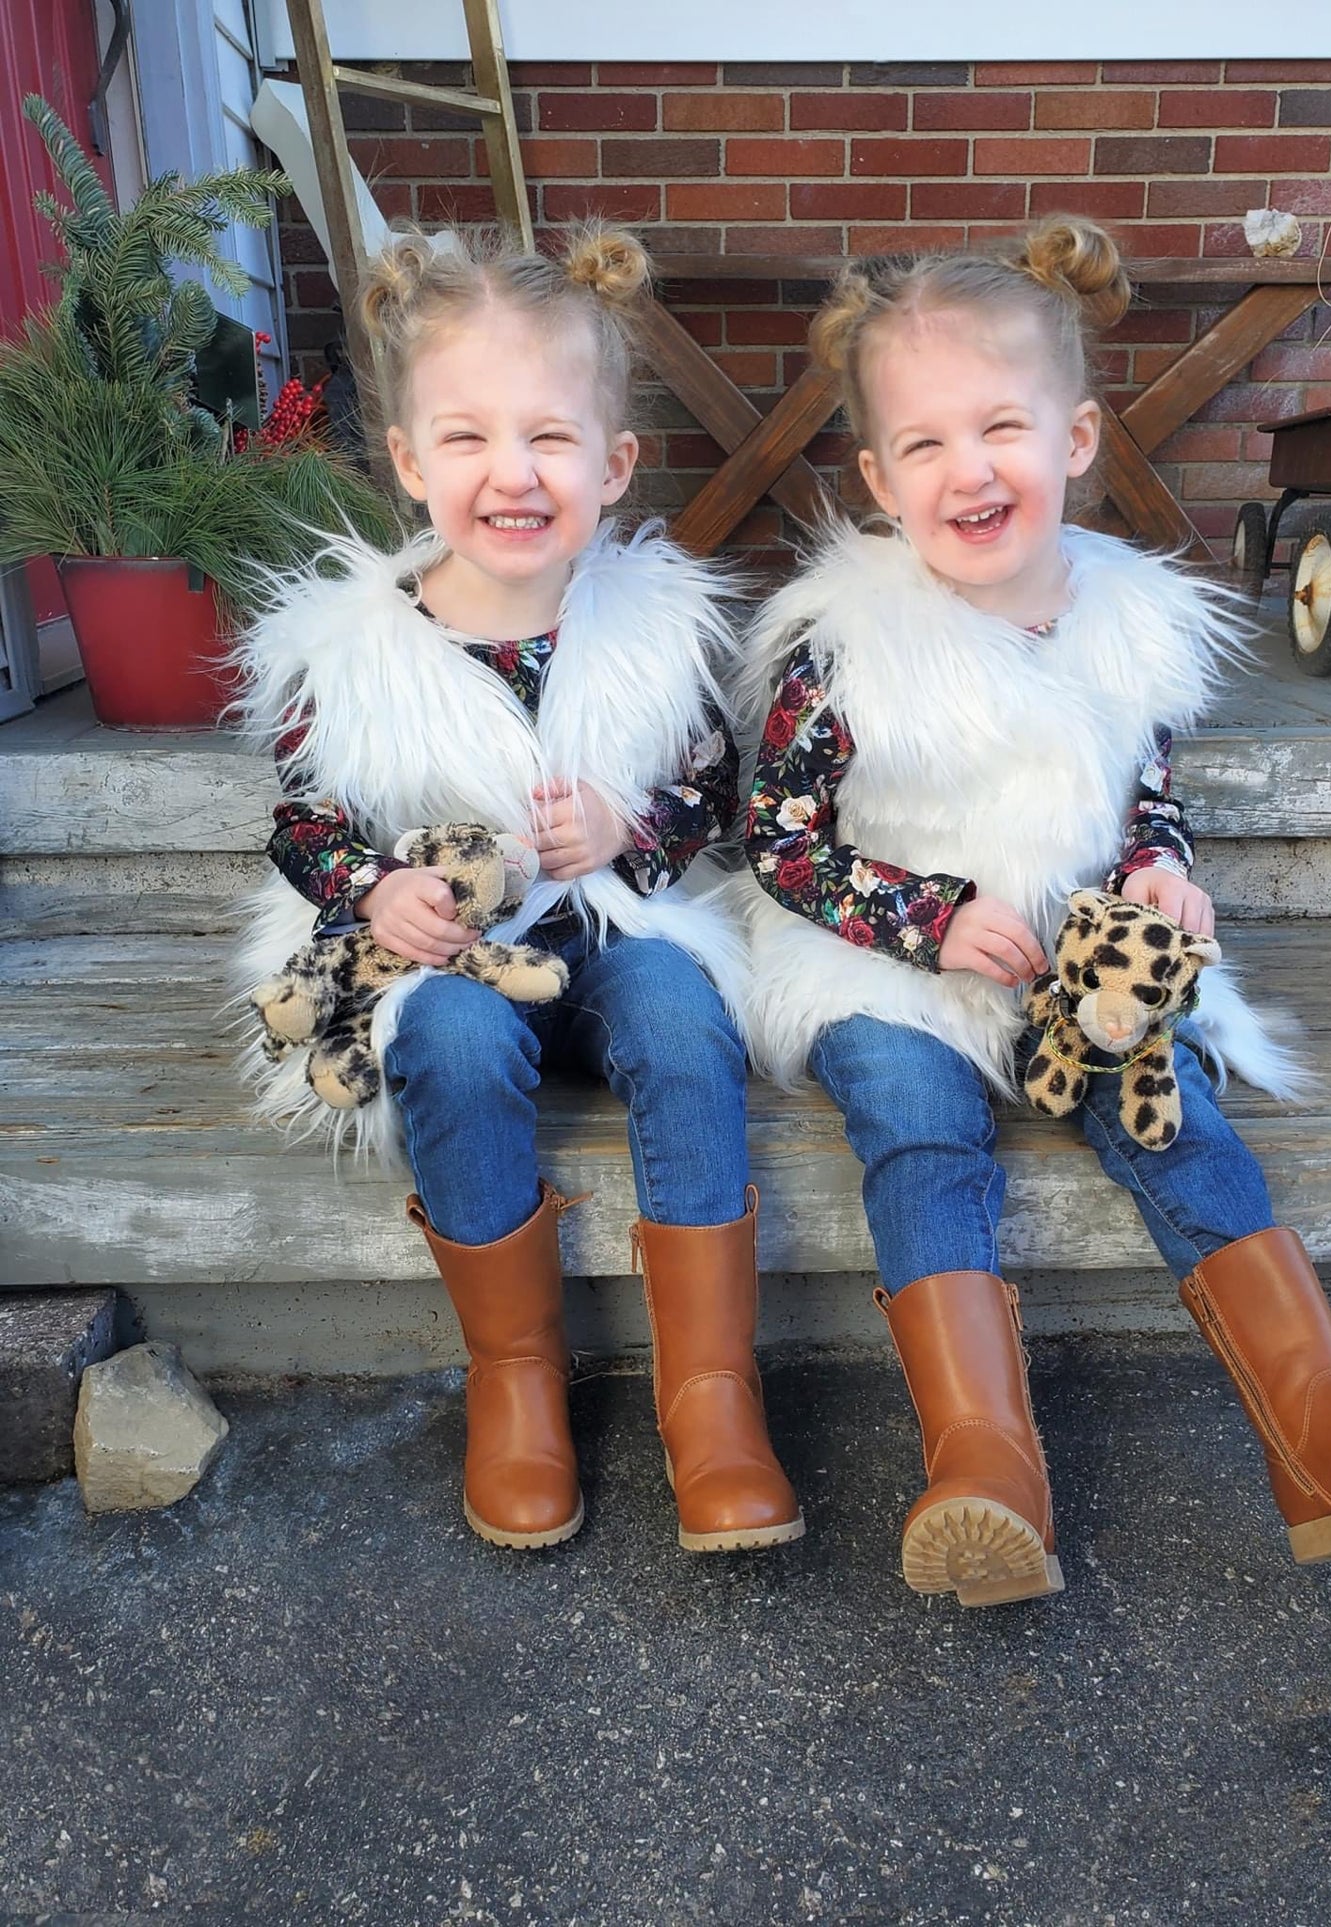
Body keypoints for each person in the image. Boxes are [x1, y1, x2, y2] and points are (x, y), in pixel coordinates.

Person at [738, 217, 1331, 1608]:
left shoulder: (1128, 623)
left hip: (1076, 965)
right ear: (879, 478)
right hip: (884, 963)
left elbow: (1144, 798)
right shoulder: (847, 646)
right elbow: (779, 840)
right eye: (925, 443)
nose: (968, 469)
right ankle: (983, 1463)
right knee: (915, 1125)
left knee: (1173, 1105)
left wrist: (1157, 873)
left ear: (1072, 439)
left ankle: (1330, 1435)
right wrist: (928, 921)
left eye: (1000, 427)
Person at [234, 224, 802, 1558]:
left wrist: (625, 825)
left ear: (612, 465)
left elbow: (713, 795)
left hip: (613, 928)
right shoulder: (351, 653)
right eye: (469, 438)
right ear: (410, 462)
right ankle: (517, 1376)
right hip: (454, 957)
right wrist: (376, 890)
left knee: (681, 1021)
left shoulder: (653, 632)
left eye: (551, 437)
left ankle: (711, 1391)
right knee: (445, 1037)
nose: (513, 472)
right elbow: (306, 824)